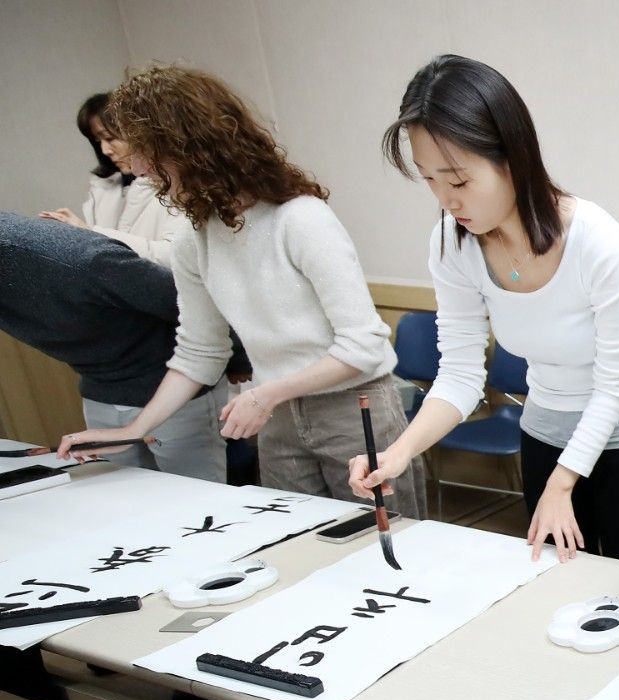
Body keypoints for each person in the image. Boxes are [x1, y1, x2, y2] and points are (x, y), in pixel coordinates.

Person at [61, 66, 426, 518]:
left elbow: (364, 345)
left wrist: (264, 395)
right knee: (303, 544)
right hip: (275, 417)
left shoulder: (300, 219)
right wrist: (134, 429)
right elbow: (198, 352)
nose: (137, 169)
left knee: (387, 541)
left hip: (354, 408)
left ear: (191, 146)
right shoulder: (194, 239)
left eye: (146, 154)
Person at [350, 54, 619, 562]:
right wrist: (397, 453)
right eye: (428, 180)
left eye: (457, 180)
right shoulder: (452, 244)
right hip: (544, 431)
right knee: (557, 584)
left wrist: (565, 482)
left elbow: (614, 384)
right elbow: (458, 375)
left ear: (512, 157)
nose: (446, 200)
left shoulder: (596, 241)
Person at [0, 211, 241, 481]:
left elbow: (193, 306)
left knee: (198, 494)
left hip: (175, 381)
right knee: (123, 490)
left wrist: (238, 357)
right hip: (99, 384)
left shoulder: (80, 259)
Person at [38, 92, 181, 267]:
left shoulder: (175, 185)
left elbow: (176, 257)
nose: (105, 150)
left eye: (110, 138)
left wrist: (90, 234)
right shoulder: (104, 188)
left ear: (139, 134)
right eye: (98, 141)